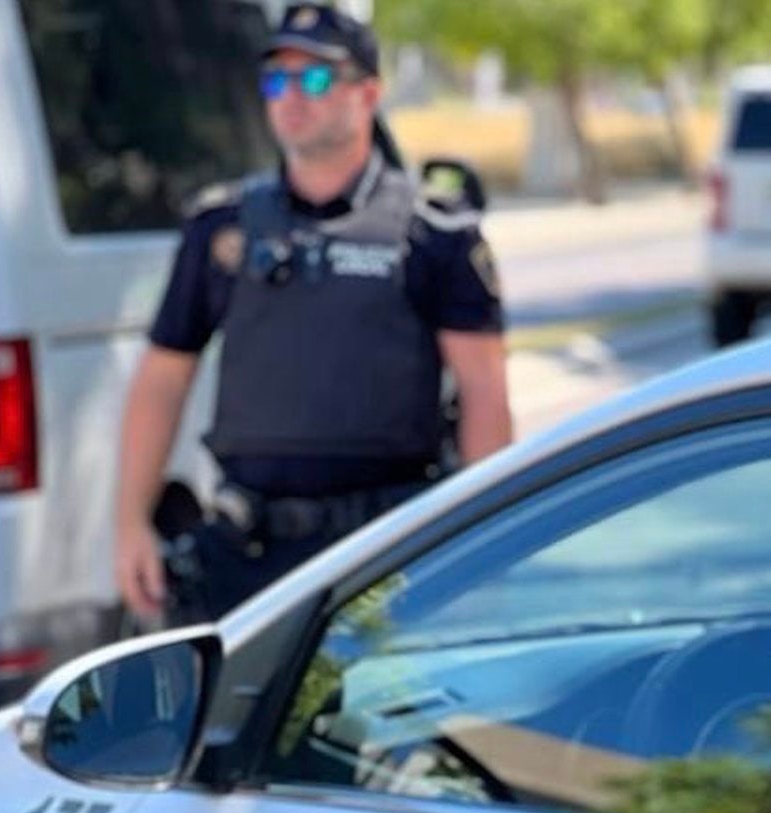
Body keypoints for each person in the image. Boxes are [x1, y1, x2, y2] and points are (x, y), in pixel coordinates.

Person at [114, 3, 513, 627]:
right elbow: (162, 378)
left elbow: (485, 393)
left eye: (317, 79)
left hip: (386, 553)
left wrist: (483, 548)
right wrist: (129, 524)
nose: (292, 97)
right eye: (277, 80)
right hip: (247, 560)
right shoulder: (220, 229)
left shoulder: (434, 232)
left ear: (369, 94)